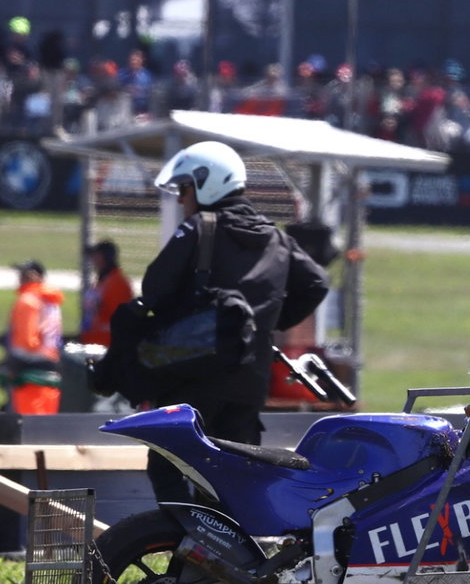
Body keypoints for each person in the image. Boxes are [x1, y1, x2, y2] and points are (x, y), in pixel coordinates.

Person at [138, 140, 329, 501]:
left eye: (185, 189)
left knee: (167, 463)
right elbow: (317, 282)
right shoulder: (276, 238)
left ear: (207, 184)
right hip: (249, 383)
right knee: (231, 480)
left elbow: (154, 289)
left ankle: (184, 542)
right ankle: (220, 554)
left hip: (195, 376)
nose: (181, 199)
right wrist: (268, 322)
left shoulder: (199, 228)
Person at [0, 259, 64, 414]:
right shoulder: (51, 301)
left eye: (25, 274)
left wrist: (14, 363)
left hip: (30, 369)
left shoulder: (28, 300)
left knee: (29, 420)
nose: (21, 278)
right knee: (47, 416)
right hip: (51, 362)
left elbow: (27, 341)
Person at [78, 239, 135, 347]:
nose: (93, 259)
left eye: (97, 255)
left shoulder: (117, 282)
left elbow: (118, 317)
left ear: (106, 257)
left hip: (107, 343)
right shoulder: (103, 280)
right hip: (94, 341)